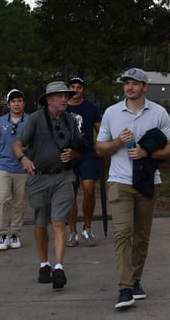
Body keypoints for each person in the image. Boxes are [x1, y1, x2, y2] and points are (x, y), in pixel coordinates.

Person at [96, 68, 170, 310]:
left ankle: (135, 280)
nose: (129, 87)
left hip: (147, 181)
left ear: (145, 87)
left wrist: (146, 152)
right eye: (126, 83)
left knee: (141, 237)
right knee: (123, 234)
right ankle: (125, 288)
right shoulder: (112, 112)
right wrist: (117, 142)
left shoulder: (159, 113)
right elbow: (100, 148)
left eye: (135, 83)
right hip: (119, 181)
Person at [12, 81, 86, 290]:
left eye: (66, 96)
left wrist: (74, 153)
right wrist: (23, 160)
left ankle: (59, 267)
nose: (65, 99)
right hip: (39, 178)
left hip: (64, 177)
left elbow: (80, 146)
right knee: (41, 222)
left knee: (58, 222)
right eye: (60, 96)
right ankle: (44, 264)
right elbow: (17, 144)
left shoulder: (70, 120)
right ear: (48, 100)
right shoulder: (35, 119)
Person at [0, 89, 29, 251]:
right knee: (3, 198)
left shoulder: (30, 121)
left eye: (19, 100)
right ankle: (3, 233)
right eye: (13, 101)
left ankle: (15, 232)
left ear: (23, 103)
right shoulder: (0, 122)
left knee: (20, 201)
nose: (17, 104)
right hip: (3, 165)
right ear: (8, 104)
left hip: (22, 167)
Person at [65, 76, 102, 247]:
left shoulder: (90, 108)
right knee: (70, 195)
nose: (75, 89)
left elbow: (100, 131)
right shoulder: (63, 107)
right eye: (72, 86)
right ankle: (72, 232)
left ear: (83, 90)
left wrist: (102, 148)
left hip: (87, 154)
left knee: (88, 190)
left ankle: (87, 228)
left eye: (78, 87)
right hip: (68, 156)